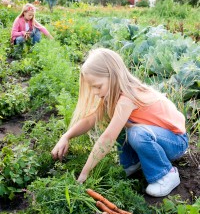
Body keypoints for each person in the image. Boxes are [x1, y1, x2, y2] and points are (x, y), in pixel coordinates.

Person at [51, 48, 188, 197]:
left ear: (113, 76)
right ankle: (132, 162)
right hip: (158, 137)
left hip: (175, 142)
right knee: (125, 126)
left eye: (98, 86)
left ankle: (165, 174)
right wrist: (66, 136)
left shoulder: (128, 99)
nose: (95, 92)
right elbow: (91, 119)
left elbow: (107, 138)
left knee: (137, 133)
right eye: (92, 88)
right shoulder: (113, 95)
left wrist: (85, 173)